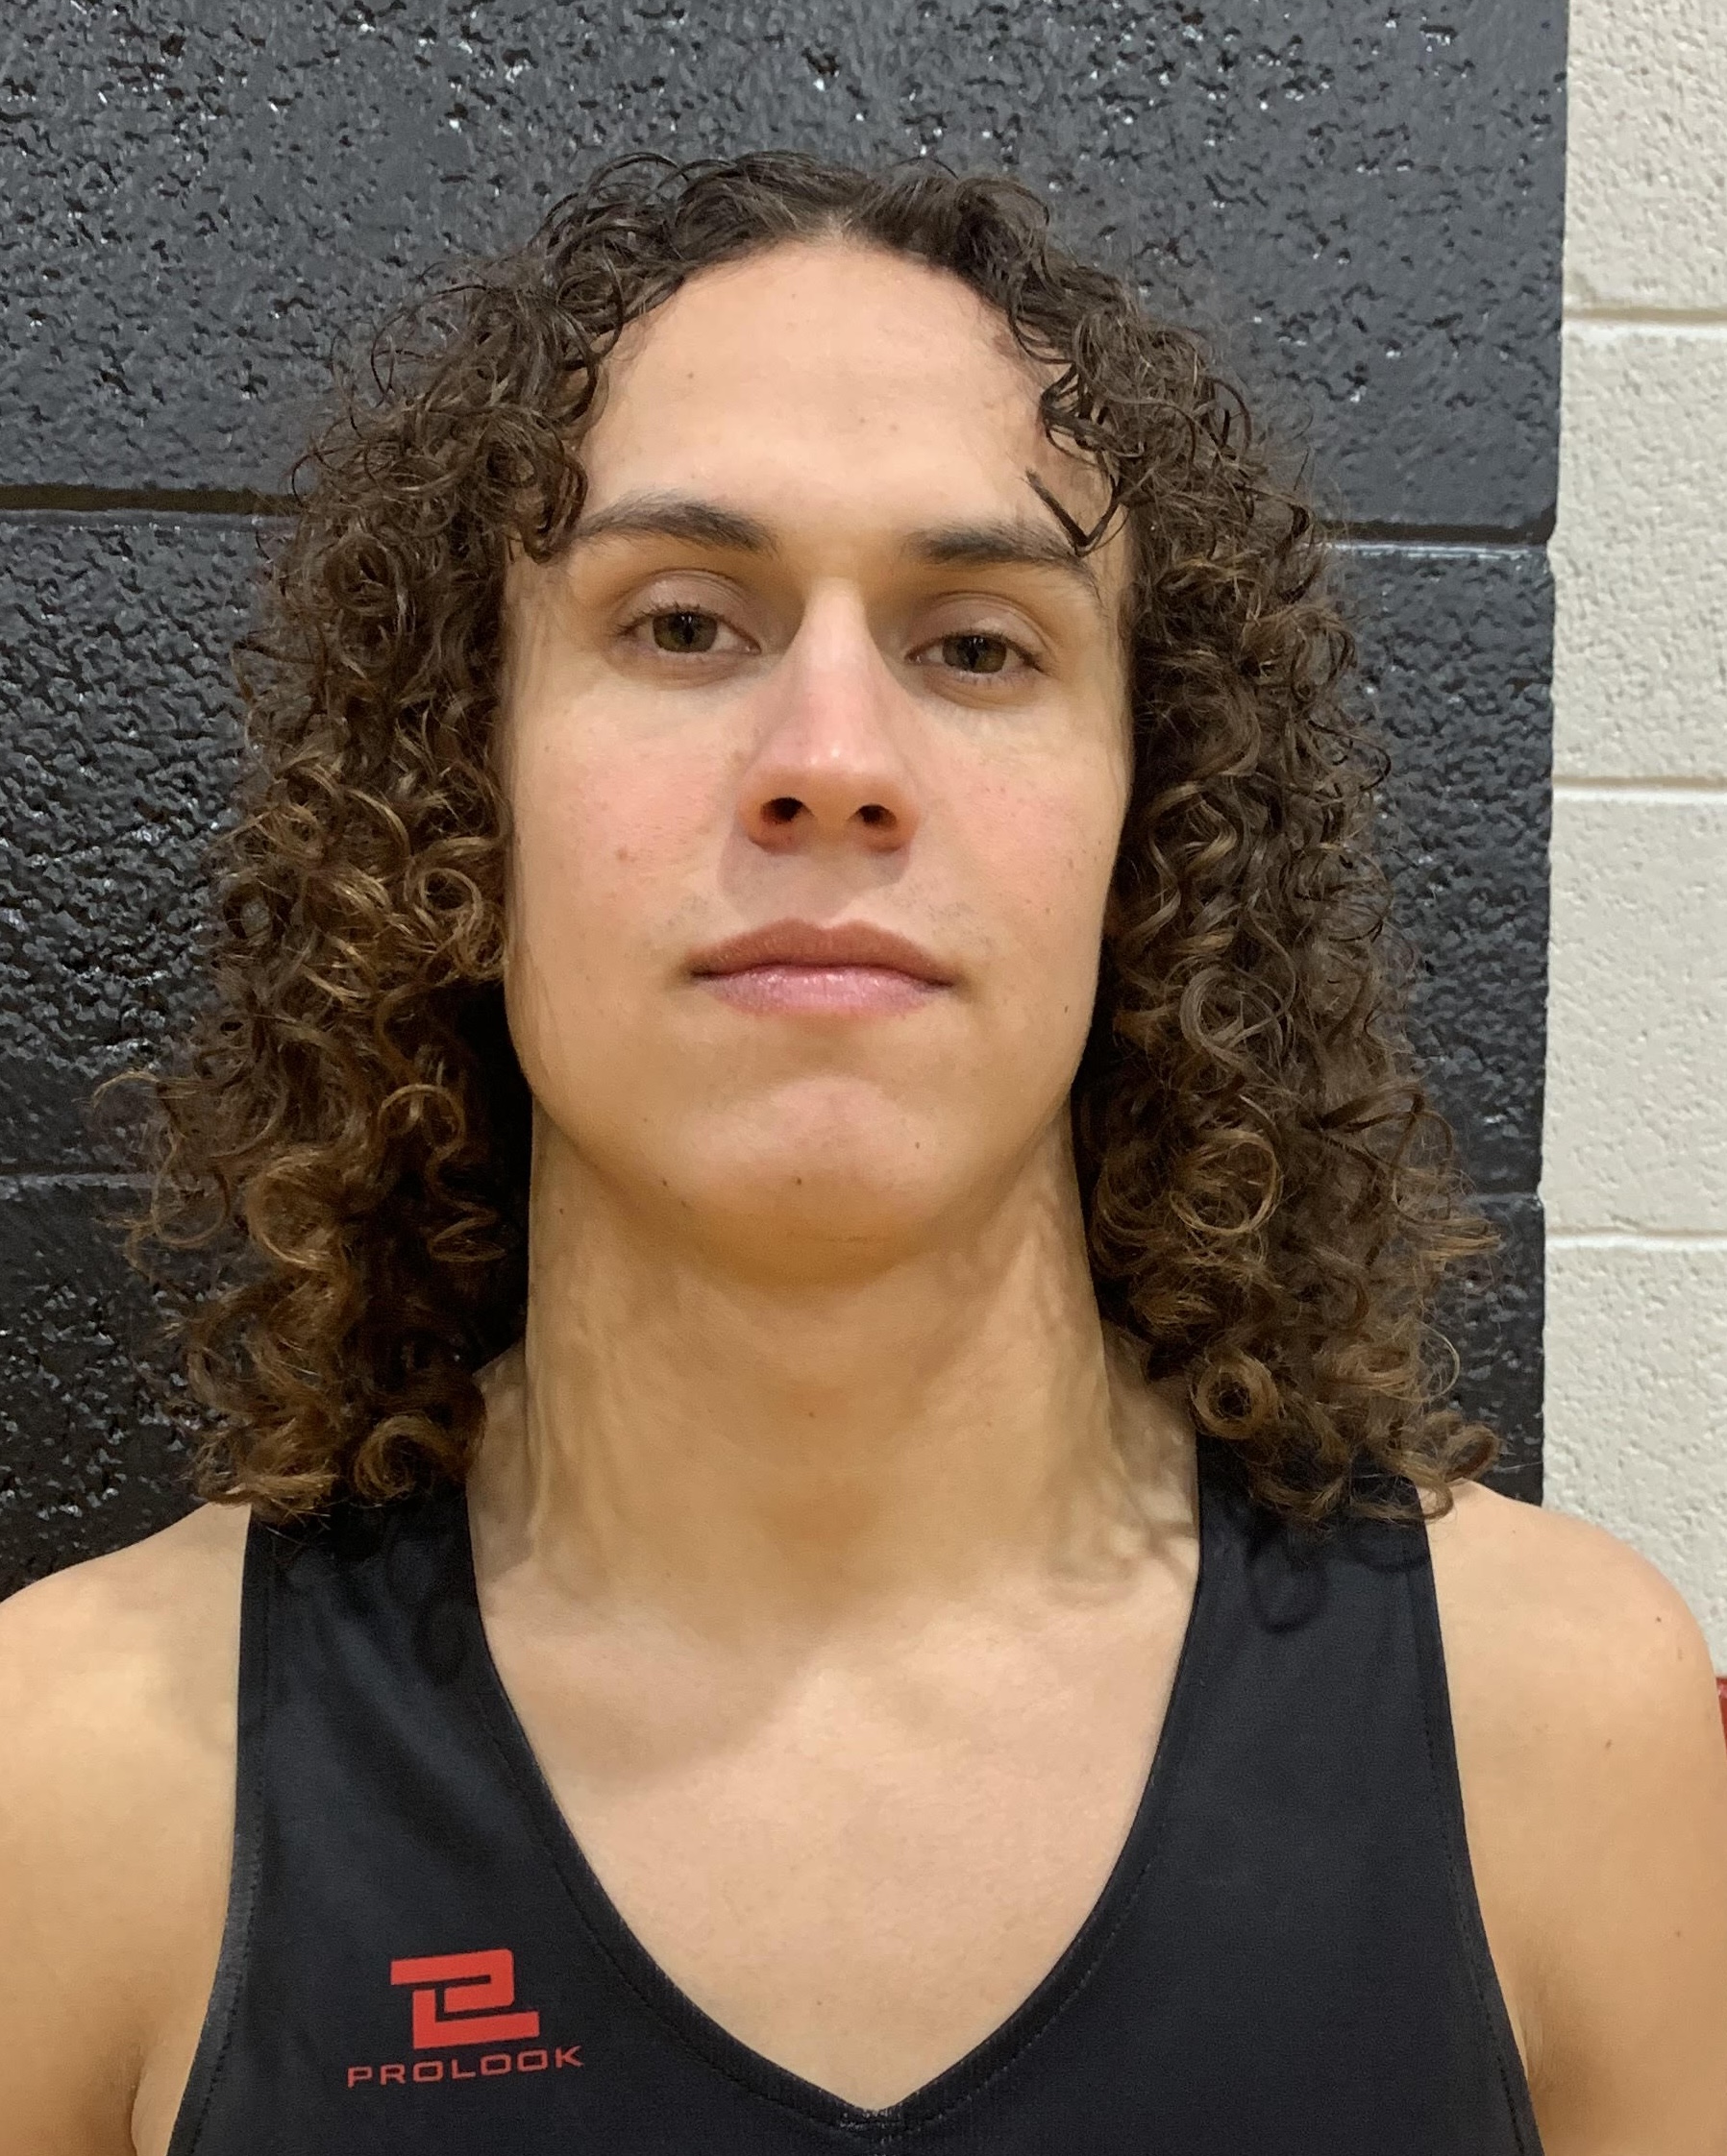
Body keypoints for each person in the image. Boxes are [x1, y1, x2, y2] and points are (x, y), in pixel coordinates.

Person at [1, 152, 1724, 2156]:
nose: (830, 759)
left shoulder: (1556, 1728)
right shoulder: (82, 1782)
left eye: (975, 647)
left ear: (1147, 828)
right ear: (460, 795)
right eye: (680, 624)